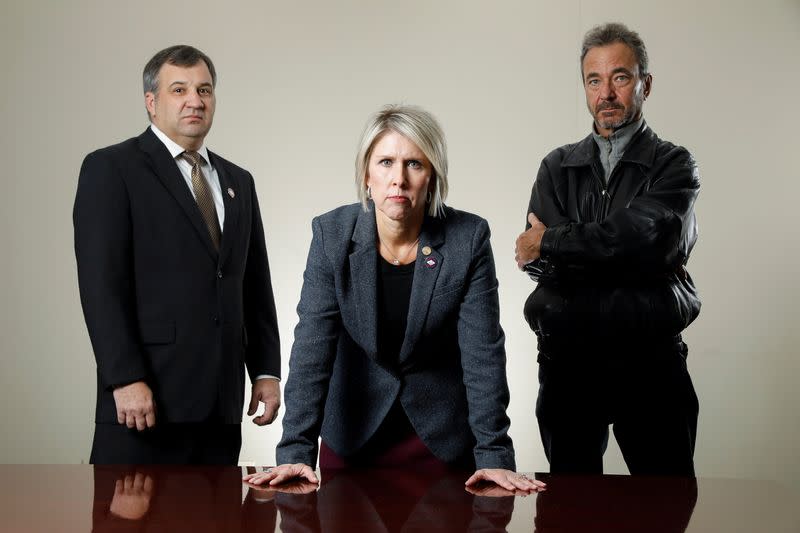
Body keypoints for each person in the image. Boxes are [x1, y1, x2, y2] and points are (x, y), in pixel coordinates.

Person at [245, 105, 543, 492]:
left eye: (414, 164)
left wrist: (493, 453)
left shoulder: (468, 238)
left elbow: (483, 352)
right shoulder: (331, 235)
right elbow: (313, 347)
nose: (398, 179)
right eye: (386, 162)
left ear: (432, 176)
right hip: (352, 433)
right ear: (367, 174)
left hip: (438, 441)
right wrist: (296, 451)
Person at [74, 45, 281, 464]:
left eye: (204, 90)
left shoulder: (238, 181)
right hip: (144, 404)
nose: (195, 101)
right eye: (179, 89)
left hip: (220, 410)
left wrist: (265, 371)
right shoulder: (111, 169)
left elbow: (252, 284)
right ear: (151, 102)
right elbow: (101, 286)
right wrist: (124, 378)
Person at [515, 23, 701, 476]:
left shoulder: (674, 163)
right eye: (593, 80)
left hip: (651, 363)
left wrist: (558, 241)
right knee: (568, 512)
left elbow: (649, 240)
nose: (606, 93)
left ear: (645, 85)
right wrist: (614, 251)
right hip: (569, 367)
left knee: (667, 506)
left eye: (620, 77)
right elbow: (535, 261)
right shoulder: (556, 167)